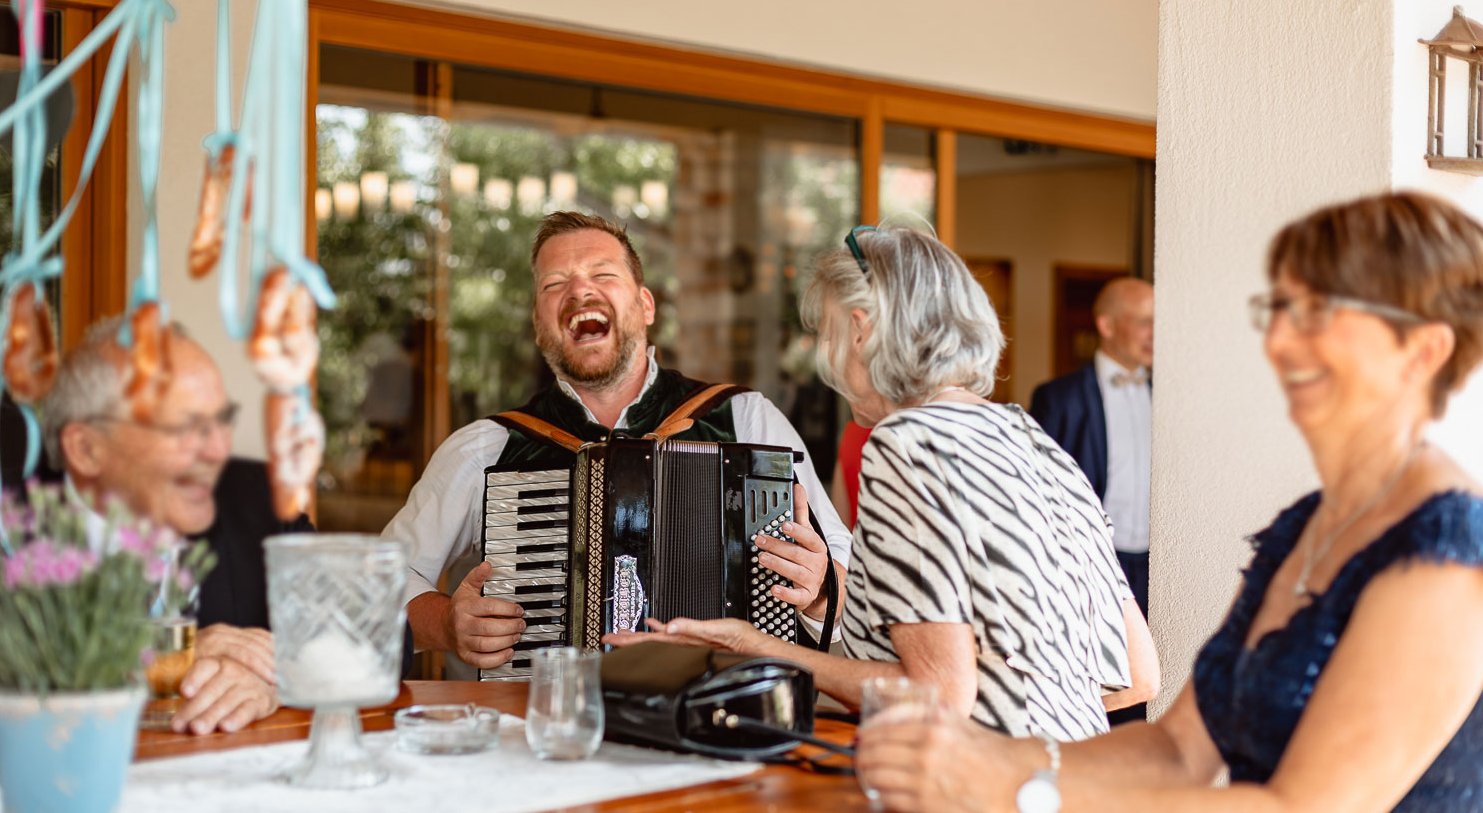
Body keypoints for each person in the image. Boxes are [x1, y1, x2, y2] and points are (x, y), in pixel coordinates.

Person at [857, 192, 1483, 813]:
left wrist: (1014, 791)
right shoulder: (1301, 529)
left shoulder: (1449, 553)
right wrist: (983, 756)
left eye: (1321, 314)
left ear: (1424, 352)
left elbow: (1301, 807)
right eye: (1282, 309)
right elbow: (1178, 751)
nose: (1283, 342)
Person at [607, 224, 1159, 738]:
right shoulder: (1033, 440)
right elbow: (1140, 675)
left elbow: (939, 696)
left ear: (862, 330)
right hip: (1060, 783)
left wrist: (757, 648)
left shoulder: (908, 443)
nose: (826, 359)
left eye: (826, 334)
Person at [381, 211, 851, 680]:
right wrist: (445, 623)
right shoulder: (489, 447)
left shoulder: (746, 420)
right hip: (541, 730)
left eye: (602, 274)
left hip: (712, 727)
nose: (579, 291)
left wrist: (822, 589)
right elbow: (379, 584)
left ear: (646, 305)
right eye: (553, 284)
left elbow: (850, 575)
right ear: (539, 324)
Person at [41, 316, 306, 735]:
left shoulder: (259, 499)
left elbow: (381, 642)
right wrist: (153, 658)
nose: (219, 450)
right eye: (185, 427)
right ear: (86, 449)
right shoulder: (3, 524)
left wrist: (275, 677)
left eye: (222, 420)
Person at [1030, 276, 1154, 723]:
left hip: (1156, 564)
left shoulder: (1166, 392)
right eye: (1144, 322)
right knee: (1097, 679)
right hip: (1095, 563)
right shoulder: (1058, 398)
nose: (1155, 333)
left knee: (1148, 681)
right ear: (1106, 325)